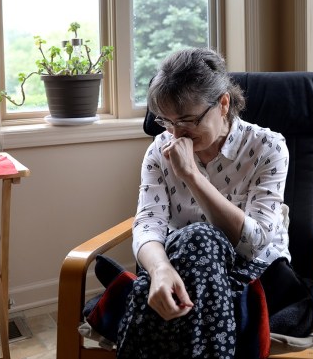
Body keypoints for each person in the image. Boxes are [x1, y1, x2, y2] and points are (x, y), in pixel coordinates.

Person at [91, 48, 291, 358]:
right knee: (174, 258)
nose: (174, 133)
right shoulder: (159, 149)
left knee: (199, 237)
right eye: (166, 122)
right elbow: (148, 223)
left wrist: (192, 176)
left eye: (187, 121)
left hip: (251, 269)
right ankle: (147, 284)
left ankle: (131, 291)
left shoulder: (267, 147)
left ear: (223, 104)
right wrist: (159, 270)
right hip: (180, 260)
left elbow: (254, 244)